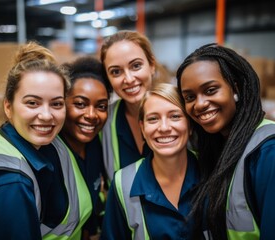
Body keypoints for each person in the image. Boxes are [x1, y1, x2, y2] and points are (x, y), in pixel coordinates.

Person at [0, 41, 92, 240]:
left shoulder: (50, 143)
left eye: (56, 103)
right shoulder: (3, 183)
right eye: (32, 103)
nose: (47, 115)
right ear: (8, 107)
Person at [176, 43, 275, 240]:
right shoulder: (220, 148)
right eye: (190, 97)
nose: (200, 104)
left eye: (210, 90)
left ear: (236, 87)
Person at [100, 83, 200, 239]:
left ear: (190, 124)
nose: (164, 127)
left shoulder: (214, 169)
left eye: (175, 116)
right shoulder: (123, 183)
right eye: (153, 119)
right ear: (142, 128)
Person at [59, 56, 112, 239]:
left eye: (101, 106)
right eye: (80, 104)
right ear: (62, 103)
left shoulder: (97, 146)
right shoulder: (50, 155)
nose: (91, 115)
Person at [99, 30, 157, 181]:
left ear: (152, 65)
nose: (129, 79)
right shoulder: (103, 121)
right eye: (116, 72)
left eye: (136, 66)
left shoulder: (180, 112)